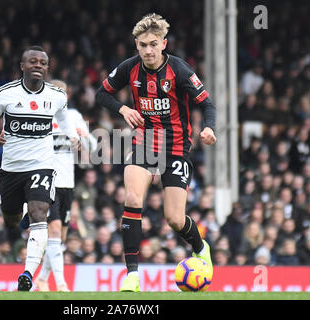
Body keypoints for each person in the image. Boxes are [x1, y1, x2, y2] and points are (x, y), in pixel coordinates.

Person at [95, 13, 216, 292]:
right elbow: (102, 94)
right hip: (146, 142)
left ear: (164, 43)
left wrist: (208, 129)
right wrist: (123, 109)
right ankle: (133, 275)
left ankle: (200, 246)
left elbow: (207, 104)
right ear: (136, 45)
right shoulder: (130, 68)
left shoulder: (180, 70)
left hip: (176, 146)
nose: (147, 50)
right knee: (132, 198)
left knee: (174, 218)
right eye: (142, 45)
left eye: (152, 44)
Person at [0, 45, 79, 291]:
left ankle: (28, 273)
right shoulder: (5, 94)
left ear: (47, 68)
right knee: (11, 220)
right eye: (32, 61)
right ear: (22, 66)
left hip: (42, 166)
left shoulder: (57, 96)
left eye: (42, 63)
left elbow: (65, 122)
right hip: (11, 168)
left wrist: (73, 137)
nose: (37, 65)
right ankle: (18, 215)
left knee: (39, 213)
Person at [17, 79, 96, 292]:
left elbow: (93, 146)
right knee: (52, 230)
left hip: (66, 183)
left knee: (59, 237)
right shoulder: (38, 115)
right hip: (44, 182)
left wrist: (84, 138)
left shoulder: (73, 117)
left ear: (67, 96)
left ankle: (42, 279)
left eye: (63, 92)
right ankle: (61, 284)